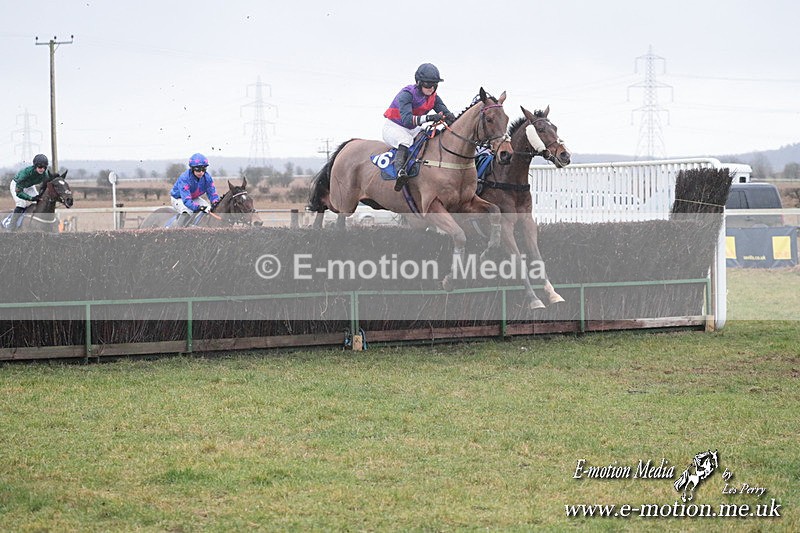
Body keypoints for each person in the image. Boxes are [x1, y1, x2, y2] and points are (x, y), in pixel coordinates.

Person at [383, 63, 456, 191]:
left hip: (413, 129)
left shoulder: (434, 97)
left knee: (427, 138)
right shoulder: (407, 94)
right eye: (428, 84)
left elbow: (446, 113)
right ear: (419, 82)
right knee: (406, 141)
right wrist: (429, 118)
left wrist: (452, 119)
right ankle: (400, 172)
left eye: (434, 84)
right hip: (395, 127)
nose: (431, 88)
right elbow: (407, 121)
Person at [169, 153, 220, 224]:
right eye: (198, 170)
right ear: (192, 169)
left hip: (193, 198)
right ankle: (178, 231)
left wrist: (215, 202)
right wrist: (198, 207)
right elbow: (186, 200)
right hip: (179, 198)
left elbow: (212, 193)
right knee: (187, 211)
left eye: (203, 169)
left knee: (208, 208)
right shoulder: (185, 178)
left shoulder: (207, 178)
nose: (201, 172)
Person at [7, 154, 53, 230]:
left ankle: (32, 221)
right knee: (21, 203)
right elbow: (19, 192)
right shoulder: (25, 174)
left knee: (37, 202)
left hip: (29, 186)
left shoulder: (45, 175)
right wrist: (30, 198)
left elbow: (47, 186)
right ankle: (11, 226)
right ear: (35, 166)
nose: (42, 169)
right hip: (17, 185)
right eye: (40, 167)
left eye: (44, 167)